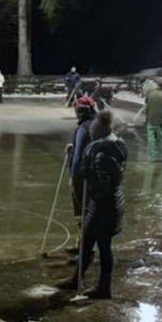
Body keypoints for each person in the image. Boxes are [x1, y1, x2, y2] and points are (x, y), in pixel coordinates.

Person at [57, 110, 127, 299]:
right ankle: (79, 279)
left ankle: (101, 287)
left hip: (103, 207)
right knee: (91, 245)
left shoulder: (103, 153)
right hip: (111, 204)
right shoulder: (117, 144)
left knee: (98, 245)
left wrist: (86, 171)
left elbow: (104, 183)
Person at [63, 95, 97, 257]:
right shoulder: (98, 125)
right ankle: (82, 244)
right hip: (95, 175)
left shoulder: (83, 128)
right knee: (89, 210)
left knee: (82, 211)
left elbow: (78, 157)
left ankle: (84, 248)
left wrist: (73, 177)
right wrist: (74, 146)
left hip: (82, 176)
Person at [144, 80, 162, 161]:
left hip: (151, 120)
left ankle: (151, 157)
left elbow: (146, 107)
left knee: (151, 140)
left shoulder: (149, 94)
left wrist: (146, 118)